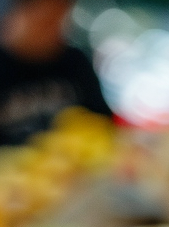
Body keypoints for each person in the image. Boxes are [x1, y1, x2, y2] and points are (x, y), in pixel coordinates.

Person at [0, 0, 110, 146]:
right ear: (15, 14)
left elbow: (104, 121)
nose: (54, 29)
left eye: (59, 19)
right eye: (45, 22)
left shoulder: (75, 62)